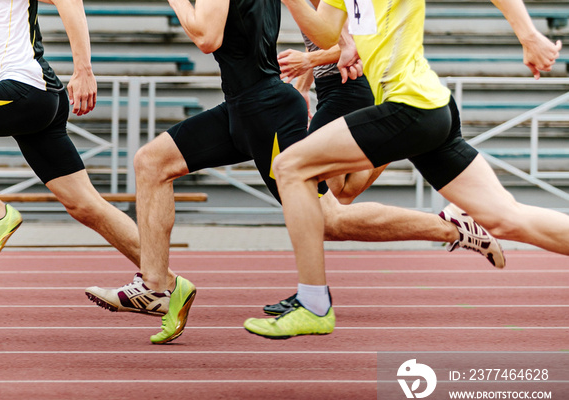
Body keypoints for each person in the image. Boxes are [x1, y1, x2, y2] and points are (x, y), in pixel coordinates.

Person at [84, 0, 502, 343]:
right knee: (151, 162)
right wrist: (317, 68)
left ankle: (454, 228)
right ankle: (158, 286)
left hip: (265, 111)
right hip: (243, 108)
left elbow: (206, 37)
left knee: (329, 219)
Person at [244, 0, 565, 339]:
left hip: (411, 105)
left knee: (290, 166)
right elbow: (325, 33)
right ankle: (313, 303)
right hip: (428, 108)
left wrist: (528, 35)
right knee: (506, 218)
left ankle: (312, 304)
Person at [263, 0, 505, 315]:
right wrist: (303, 86)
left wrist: (307, 61)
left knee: (321, 192)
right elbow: (322, 39)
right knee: (343, 193)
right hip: (332, 89)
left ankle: (309, 296)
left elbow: (351, 43)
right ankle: (403, 149)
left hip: (351, 88)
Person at [0, 0, 161, 280]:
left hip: (26, 90)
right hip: (37, 96)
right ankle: (164, 282)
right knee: (85, 205)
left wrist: (83, 70)